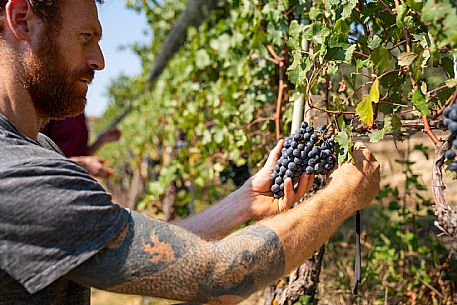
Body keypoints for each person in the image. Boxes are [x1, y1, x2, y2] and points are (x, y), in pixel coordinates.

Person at [0, 1, 381, 305]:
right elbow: (219, 276)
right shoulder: (19, 176)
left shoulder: (40, 149)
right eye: (86, 37)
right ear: (21, 19)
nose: (99, 59)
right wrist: (344, 195)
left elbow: (146, 247)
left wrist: (244, 202)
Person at [41, 113, 121, 178]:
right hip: (54, 184)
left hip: (76, 183)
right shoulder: (48, 106)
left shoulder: (78, 110)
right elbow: (36, 157)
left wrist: (101, 140)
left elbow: (82, 153)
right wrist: (82, 163)